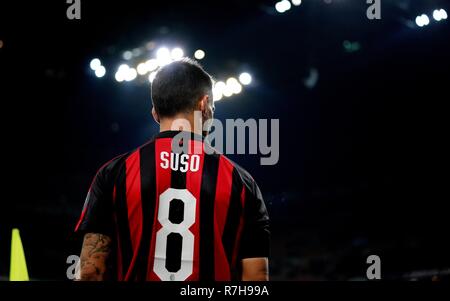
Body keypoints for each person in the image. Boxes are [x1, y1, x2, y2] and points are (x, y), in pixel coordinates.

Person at [75, 58, 270, 281]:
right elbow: (256, 277)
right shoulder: (241, 181)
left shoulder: (114, 173)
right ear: (204, 105)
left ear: (155, 113)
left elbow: (90, 272)